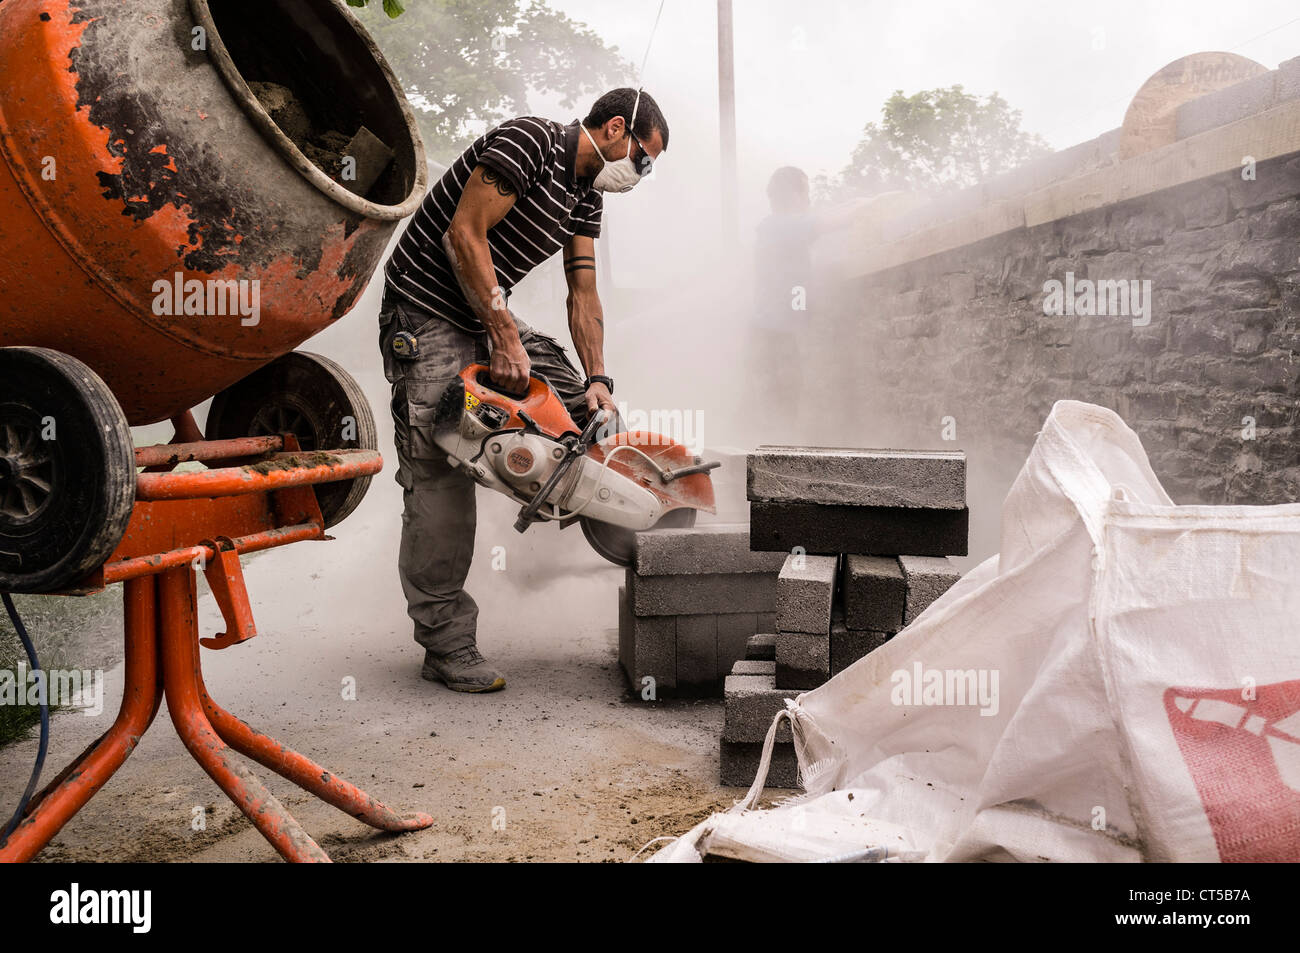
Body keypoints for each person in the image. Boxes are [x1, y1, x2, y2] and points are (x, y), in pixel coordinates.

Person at [378, 88, 669, 693]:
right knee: (442, 464)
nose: (642, 174)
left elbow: (582, 293)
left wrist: (597, 382)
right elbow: (464, 235)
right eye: (644, 158)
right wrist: (503, 336)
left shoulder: (585, 197)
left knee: (576, 406)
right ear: (617, 129)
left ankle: (545, 484)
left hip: (483, 315)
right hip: (426, 312)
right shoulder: (529, 142)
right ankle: (446, 641)